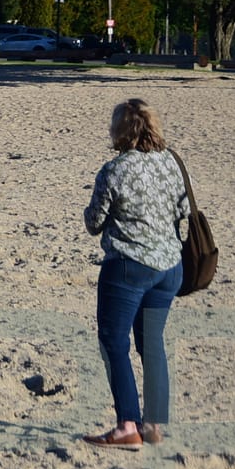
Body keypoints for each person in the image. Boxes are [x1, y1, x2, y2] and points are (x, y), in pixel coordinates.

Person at [82, 98, 190, 449]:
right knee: (152, 344)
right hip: (170, 267)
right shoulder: (172, 162)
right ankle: (153, 423)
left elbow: (94, 224)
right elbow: (184, 209)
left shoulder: (114, 170)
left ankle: (127, 425)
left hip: (129, 266)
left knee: (114, 340)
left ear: (120, 131)